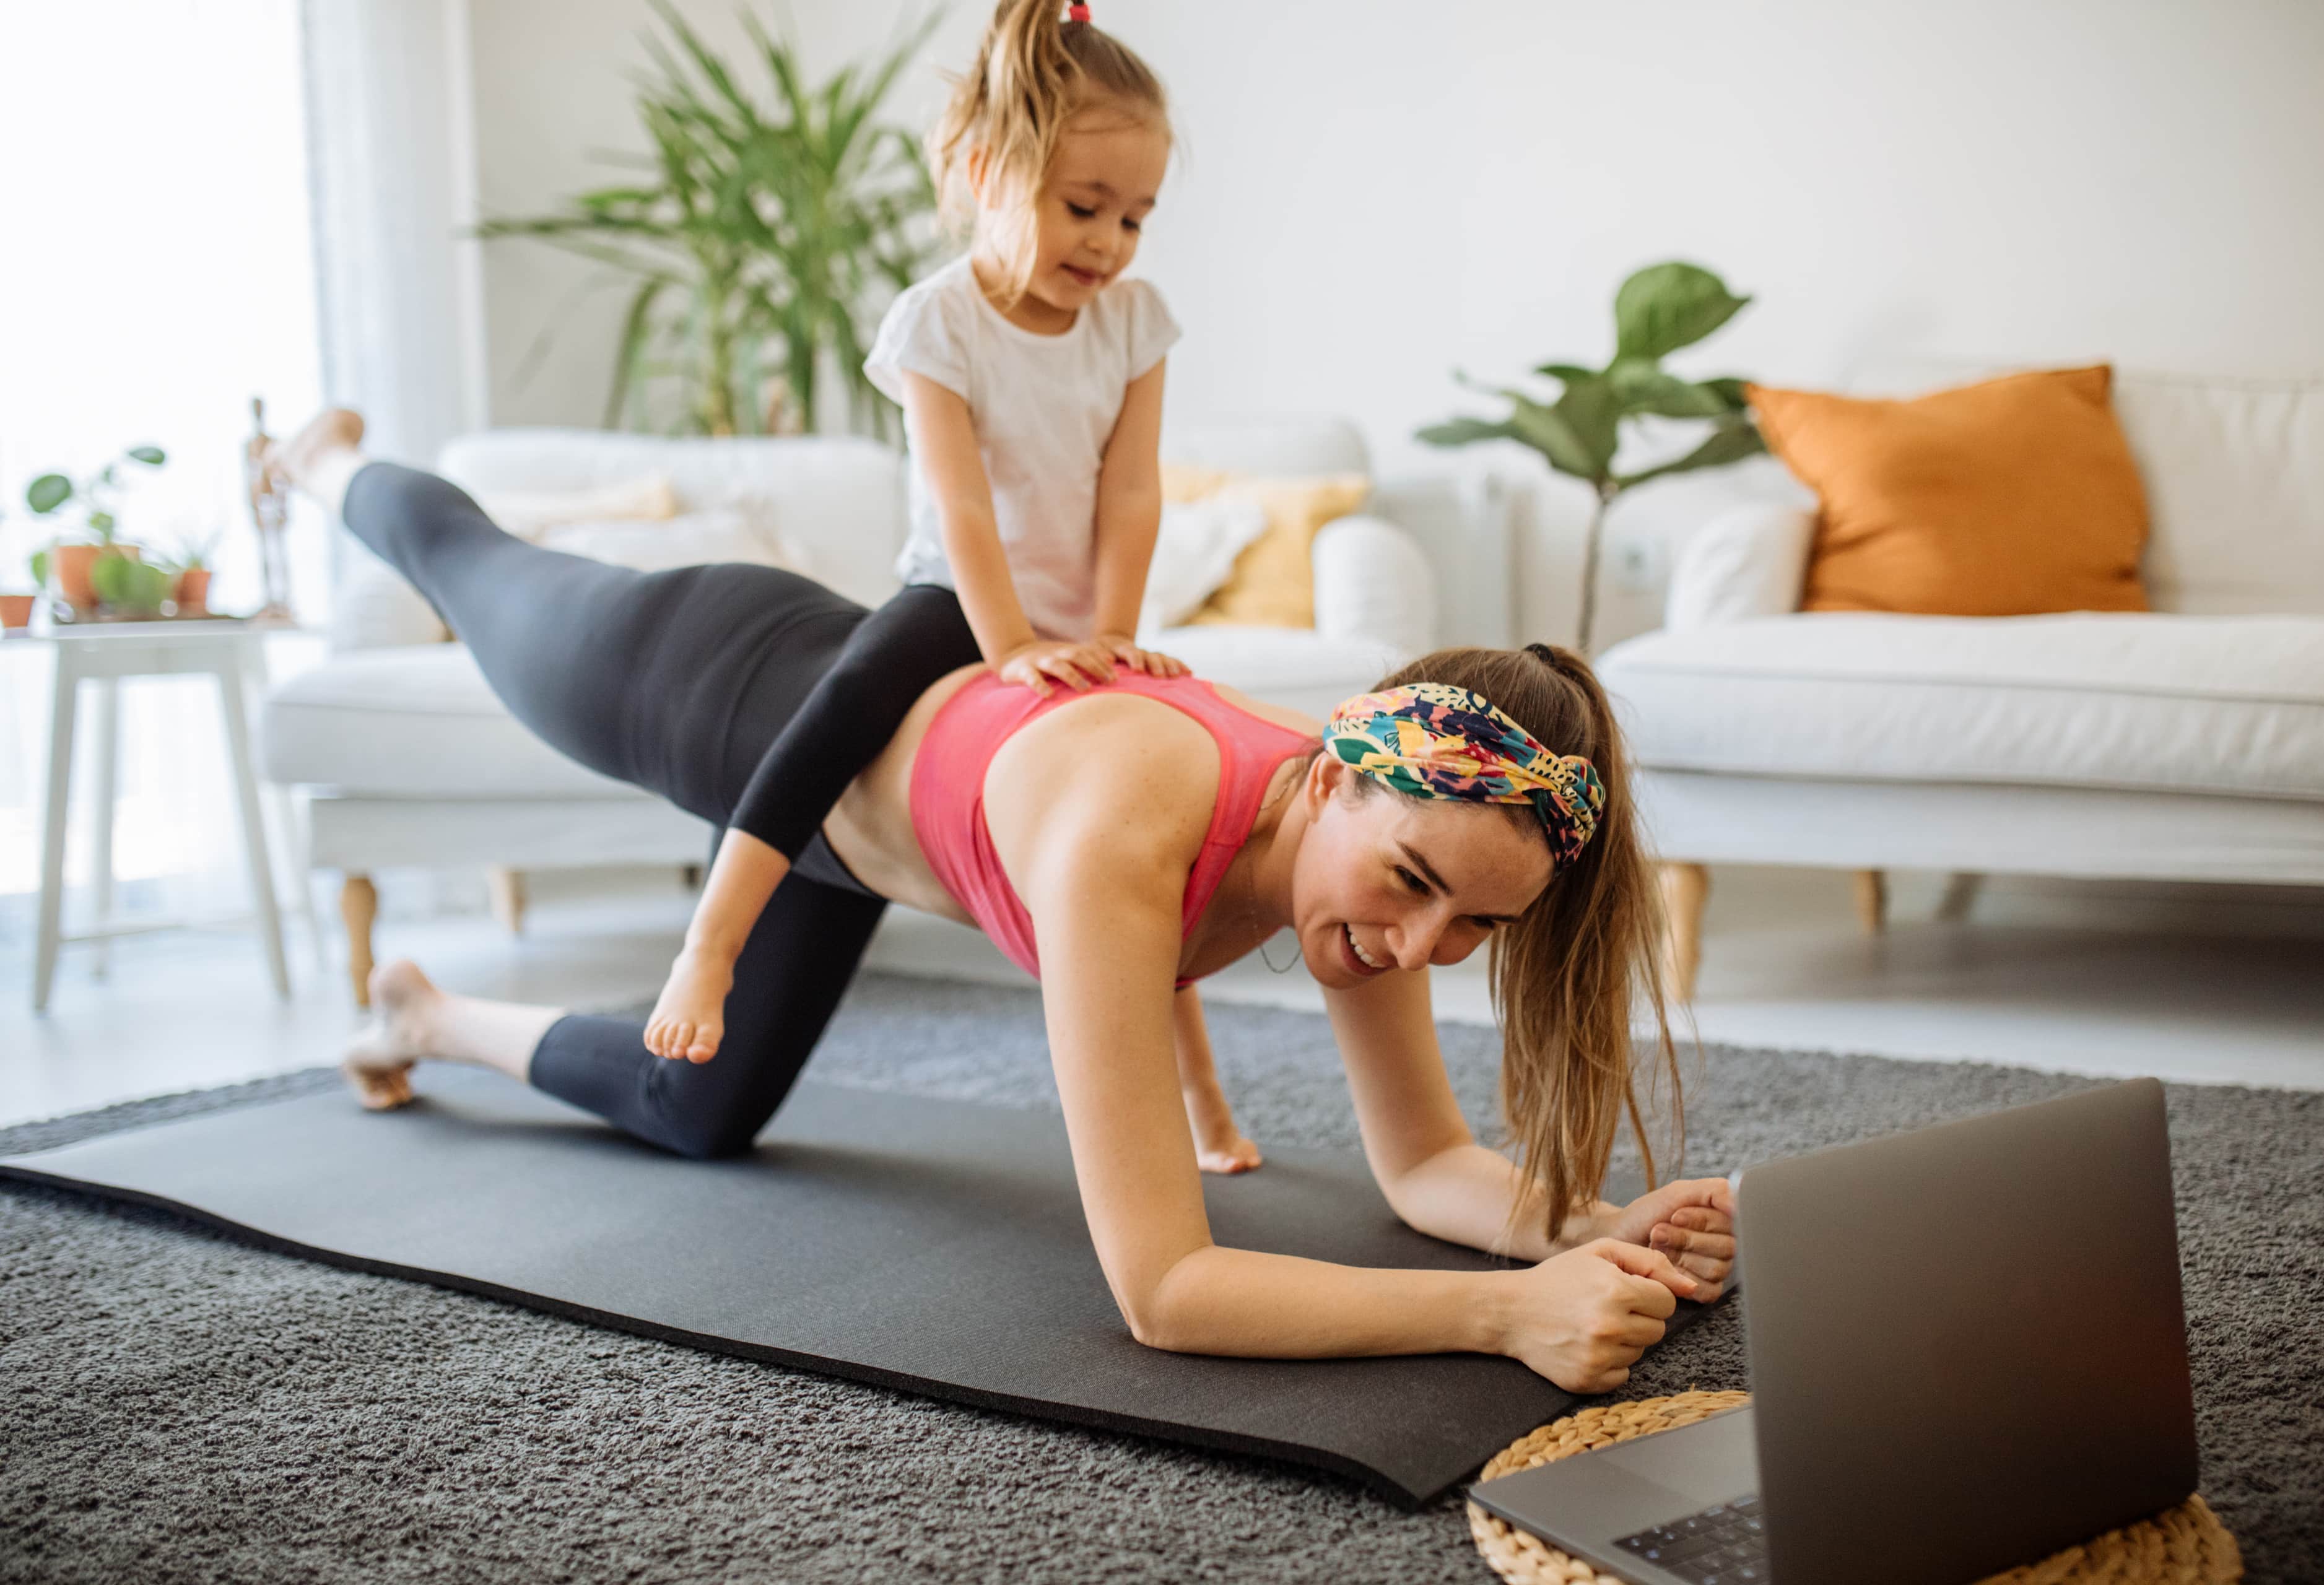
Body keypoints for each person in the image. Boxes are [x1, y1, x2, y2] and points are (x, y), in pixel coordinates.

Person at [271, 389, 1730, 1399]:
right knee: (475, 566)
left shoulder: (1401, 853)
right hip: (719, 686)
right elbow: (1164, 1290)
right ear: (1336, 768)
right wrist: (1500, 1311)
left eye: (1479, 927)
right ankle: (326, 463)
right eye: (1415, 888)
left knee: (698, 1110)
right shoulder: (1129, 831)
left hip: (878, 830)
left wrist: (1597, 1231)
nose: (1421, 946)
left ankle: (422, 1009)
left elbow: (1424, 1169)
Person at [633, 0, 1269, 1168]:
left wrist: (1114, 637)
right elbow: (964, 505)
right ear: (984, 169)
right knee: (832, 715)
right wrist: (1012, 643)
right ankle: (712, 944)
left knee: (1138, 848)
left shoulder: (1133, 322)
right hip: (955, 602)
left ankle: (1202, 1101)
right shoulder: (940, 322)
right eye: (1084, 208)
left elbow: (1130, 497)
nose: (1111, 242)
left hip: (1081, 617)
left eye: (1135, 217)